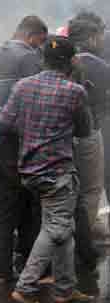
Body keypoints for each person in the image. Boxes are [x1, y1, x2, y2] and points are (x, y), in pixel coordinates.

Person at [0, 36, 94, 303]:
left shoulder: (22, 86)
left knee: (63, 228)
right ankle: (25, 287)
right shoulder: (75, 92)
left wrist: (31, 130)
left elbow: (3, 125)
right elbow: (85, 132)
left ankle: (64, 288)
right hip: (57, 172)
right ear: (70, 62)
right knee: (56, 228)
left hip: (28, 169)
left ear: (44, 60)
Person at [0, 15, 48, 284]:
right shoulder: (30, 58)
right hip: (22, 140)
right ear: (32, 36)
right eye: (39, 42)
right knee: (29, 205)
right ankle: (26, 264)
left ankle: (0, 269)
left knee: (3, 202)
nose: (38, 47)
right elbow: (33, 100)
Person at [68, 15, 108, 271]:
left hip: (56, 134)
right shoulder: (101, 66)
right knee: (91, 188)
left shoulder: (56, 59)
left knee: (64, 189)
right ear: (92, 38)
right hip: (88, 132)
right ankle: (86, 237)